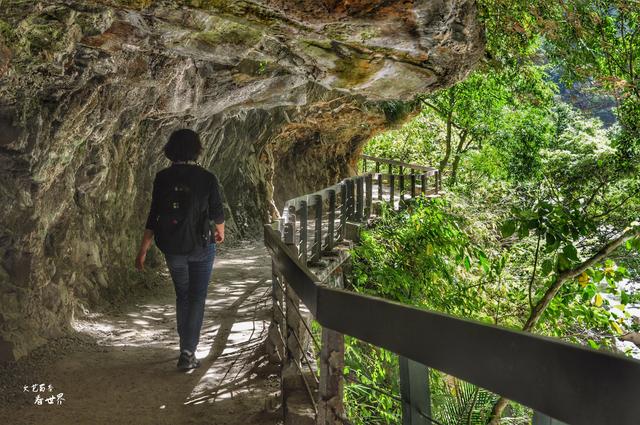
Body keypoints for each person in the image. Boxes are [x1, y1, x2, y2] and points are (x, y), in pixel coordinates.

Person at [135, 129, 225, 370]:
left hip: (173, 246)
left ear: (170, 149)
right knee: (197, 297)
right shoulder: (207, 178)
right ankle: (188, 352)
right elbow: (217, 212)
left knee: (182, 295)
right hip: (202, 246)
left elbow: (153, 216)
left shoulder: (162, 178)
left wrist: (143, 249)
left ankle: (185, 348)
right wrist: (220, 233)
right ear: (197, 150)